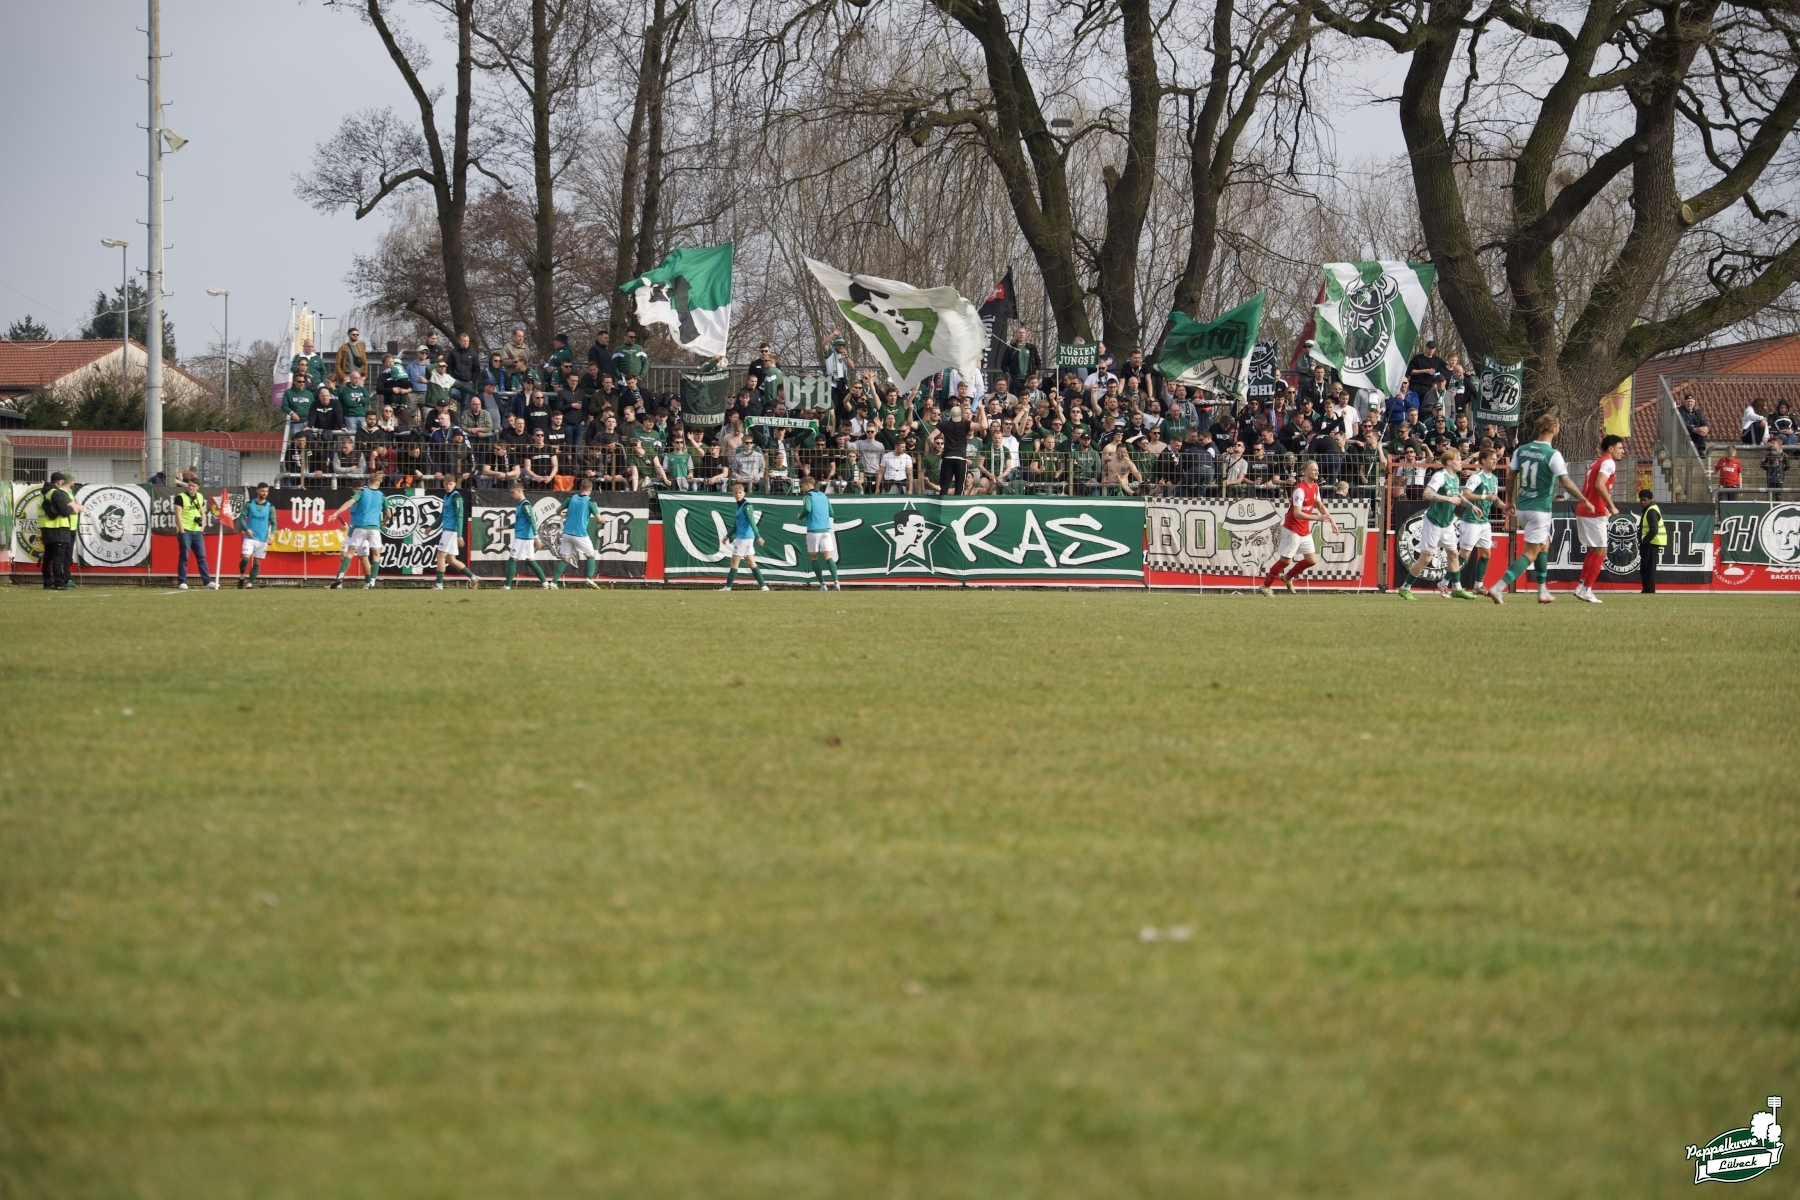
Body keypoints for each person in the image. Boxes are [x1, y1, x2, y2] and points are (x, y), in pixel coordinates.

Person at [1488, 414, 1586, 604]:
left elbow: (1509, 477)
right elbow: (1565, 482)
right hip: (1539, 510)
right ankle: (1498, 587)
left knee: (1544, 544)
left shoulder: (1522, 450)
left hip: (1522, 507)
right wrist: (1584, 499)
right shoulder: (1552, 454)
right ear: (1554, 429)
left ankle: (1542, 591)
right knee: (1530, 553)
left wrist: (1509, 502)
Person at [1257, 457, 1339, 595]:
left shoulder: (1315, 487)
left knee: (1311, 560)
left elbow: (1320, 505)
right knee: (1285, 561)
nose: (1317, 472)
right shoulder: (1299, 490)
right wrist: (1316, 518)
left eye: (1317, 470)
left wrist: (1332, 521)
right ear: (1306, 472)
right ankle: (1265, 585)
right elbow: (1296, 513)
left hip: (1304, 530)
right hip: (1293, 529)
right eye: (1314, 470)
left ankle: (1288, 577)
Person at [1395, 447, 1468, 599]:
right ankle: (1405, 587)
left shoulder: (1454, 477)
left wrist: (1473, 506)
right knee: (1426, 558)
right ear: (1449, 462)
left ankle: (1456, 588)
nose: (1461, 462)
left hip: (1446, 523)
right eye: (1458, 459)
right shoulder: (1440, 476)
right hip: (1434, 522)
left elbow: (1458, 496)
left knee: (1454, 553)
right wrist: (1448, 499)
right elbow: (1427, 493)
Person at [1573, 434, 1626, 604]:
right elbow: (1599, 484)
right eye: (1620, 448)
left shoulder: (1596, 462)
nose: (1622, 451)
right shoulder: (1608, 462)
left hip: (1585, 510)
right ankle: (1587, 589)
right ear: (1610, 449)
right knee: (1601, 551)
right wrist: (1611, 506)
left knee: (1595, 550)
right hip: (1594, 512)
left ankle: (1581, 587)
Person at [329, 471, 387, 590]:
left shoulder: (362, 495)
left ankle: (367, 582)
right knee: (374, 554)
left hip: (360, 529)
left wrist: (336, 513)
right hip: (363, 529)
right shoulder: (379, 495)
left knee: (362, 557)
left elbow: (349, 504)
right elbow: (389, 513)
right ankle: (369, 582)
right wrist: (385, 521)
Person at [1454, 446, 1500, 596]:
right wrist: (1483, 497)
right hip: (1472, 521)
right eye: (1492, 459)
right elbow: (1466, 494)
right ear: (1483, 461)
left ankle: (1478, 586)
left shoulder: (1494, 479)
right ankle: (1445, 582)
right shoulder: (1476, 477)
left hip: (1484, 522)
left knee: (1486, 553)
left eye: (1496, 459)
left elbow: (1494, 499)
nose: (1495, 461)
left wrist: (1505, 507)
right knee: (1464, 555)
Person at [550, 477, 606, 589]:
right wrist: (604, 521)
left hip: (566, 533)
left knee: (565, 559)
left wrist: (561, 514)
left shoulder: (571, 498)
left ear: (580, 487)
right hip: (580, 534)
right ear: (590, 489)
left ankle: (554, 583)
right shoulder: (590, 501)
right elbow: (599, 519)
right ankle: (589, 578)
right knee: (590, 555)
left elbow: (557, 510)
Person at [432, 474, 480, 590]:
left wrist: (459, 536)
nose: (448, 486)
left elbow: (459, 517)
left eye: (450, 484)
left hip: (451, 531)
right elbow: (443, 514)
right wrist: (432, 527)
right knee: (451, 559)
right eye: (446, 484)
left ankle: (439, 585)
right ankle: (473, 577)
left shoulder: (456, 497)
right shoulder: (446, 496)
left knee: (440, 556)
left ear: (454, 484)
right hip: (448, 530)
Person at [720, 481, 770, 591]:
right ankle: (764, 586)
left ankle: (727, 587)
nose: (738, 495)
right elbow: (736, 525)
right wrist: (727, 535)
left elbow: (752, 522)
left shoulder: (747, 506)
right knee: (750, 562)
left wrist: (758, 536)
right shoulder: (739, 507)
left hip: (744, 538)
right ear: (733, 494)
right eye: (736, 493)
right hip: (745, 538)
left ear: (744, 493)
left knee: (734, 562)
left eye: (740, 492)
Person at [37, 471, 81, 590]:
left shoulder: (44, 492)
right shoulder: (55, 492)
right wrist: (72, 508)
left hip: (45, 527)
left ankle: (47, 582)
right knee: (58, 557)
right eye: (61, 482)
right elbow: (64, 510)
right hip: (58, 527)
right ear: (59, 482)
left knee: (48, 556)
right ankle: (59, 583)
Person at [503, 483, 550, 589]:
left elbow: (532, 521)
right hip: (525, 538)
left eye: (513, 492)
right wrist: (504, 528)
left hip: (522, 538)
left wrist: (536, 537)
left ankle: (507, 587)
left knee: (512, 559)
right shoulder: (520, 505)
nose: (511, 495)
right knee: (530, 561)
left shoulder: (525, 505)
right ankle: (545, 584)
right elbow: (519, 523)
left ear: (519, 491)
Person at [173, 477, 217, 590]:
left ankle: (207, 581)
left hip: (197, 531)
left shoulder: (200, 497)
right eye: (190, 485)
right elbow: (177, 515)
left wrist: (202, 528)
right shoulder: (180, 497)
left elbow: (203, 513)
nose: (191, 487)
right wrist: (182, 531)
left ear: (198, 488)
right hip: (185, 531)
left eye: (193, 486)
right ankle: (182, 581)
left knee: (202, 557)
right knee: (184, 557)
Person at [798, 473, 841, 591]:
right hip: (826, 530)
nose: (801, 489)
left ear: (807, 486)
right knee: (829, 558)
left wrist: (800, 516)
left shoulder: (808, 496)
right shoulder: (823, 496)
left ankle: (822, 584)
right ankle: (836, 582)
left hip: (813, 530)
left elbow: (807, 508)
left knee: (814, 558)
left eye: (802, 487)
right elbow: (831, 512)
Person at [236, 482, 275, 589]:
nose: (264, 493)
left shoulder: (270, 507)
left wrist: (272, 535)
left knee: (257, 562)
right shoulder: (249, 504)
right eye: (262, 491)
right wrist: (247, 529)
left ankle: (250, 584)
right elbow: (241, 518)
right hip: (250, 537)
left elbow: (274, 522)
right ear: (257, 491)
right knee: (245, 559)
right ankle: (242, 576)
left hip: (262, 539)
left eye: (266, 491)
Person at [1637, 488, 1665, 594]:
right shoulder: (1650, 509)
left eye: (1644, 500)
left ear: (1650, 500)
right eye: (1641, 500)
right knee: (1646, 567)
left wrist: (1644, 540)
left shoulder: (1651, 511)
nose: (1642, 502)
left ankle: (1649, 590)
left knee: (1648, 568)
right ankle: (1647, 589)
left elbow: (1654, 529)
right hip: (1650, 542)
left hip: (1651, 543)